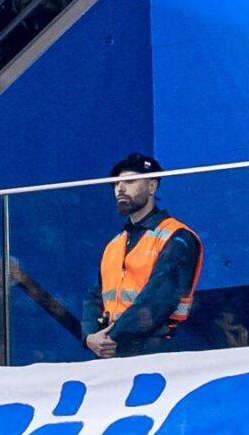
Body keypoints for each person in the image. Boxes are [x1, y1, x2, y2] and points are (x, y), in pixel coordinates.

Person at [81, 153, 202, 360]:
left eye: (129, 181)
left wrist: (108, 337)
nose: (120, 189)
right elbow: (94, 297)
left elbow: (159, 299)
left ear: (152, 187)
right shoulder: (115, 244)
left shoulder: (175, 236)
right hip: (114, 351)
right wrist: (90, 337)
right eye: (116, 183)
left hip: (156, 349)